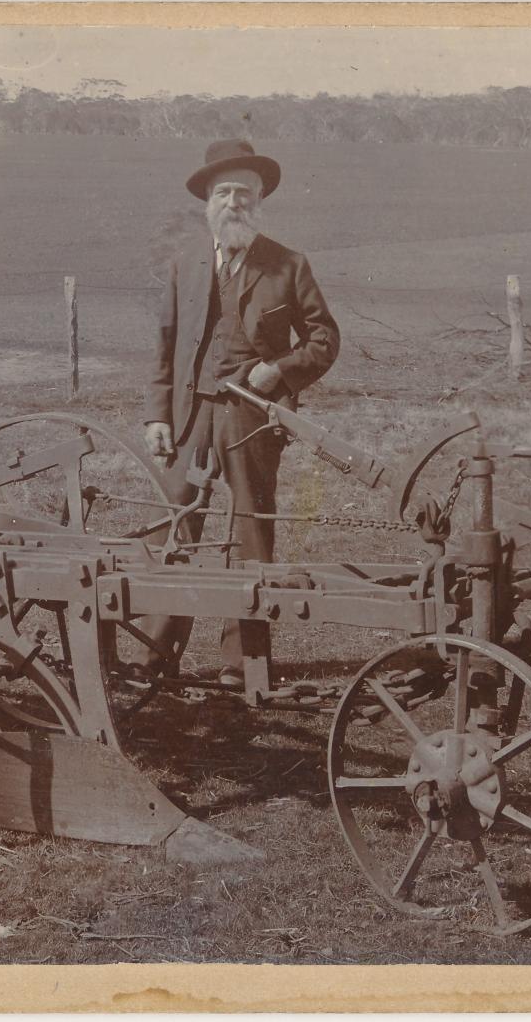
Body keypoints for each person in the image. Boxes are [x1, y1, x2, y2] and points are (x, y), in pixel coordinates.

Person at [129, 139, 340, 691]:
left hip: (252, 416)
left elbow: (324, 339)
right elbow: (164, 344)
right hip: (190, 413)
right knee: (175, 524)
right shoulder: (186, 264)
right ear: (207, 203)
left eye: (243, 192)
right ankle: (153, 654)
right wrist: (157, 415)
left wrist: (278, 371)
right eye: (223, 192)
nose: (233, 202)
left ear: (260, 198)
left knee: (251, 529)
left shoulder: (288, 265)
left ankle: (242, 663)